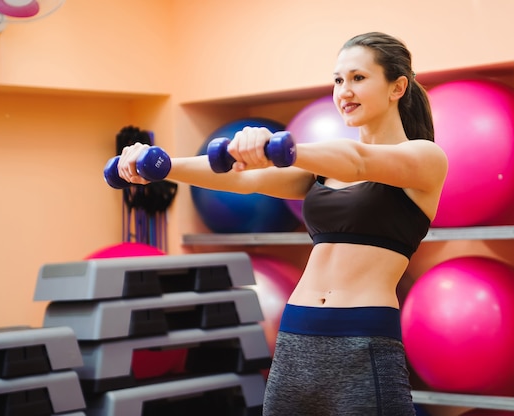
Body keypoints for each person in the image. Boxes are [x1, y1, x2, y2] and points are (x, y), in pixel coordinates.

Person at [117, 31, 448, 416]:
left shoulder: (424, 158)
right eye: (338, 80)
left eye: (358, 78)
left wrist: (281, 149)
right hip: (296, 337)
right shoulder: (320, 171)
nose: (344, 91)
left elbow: (360, 160)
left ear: (397, 87)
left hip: (363, 339)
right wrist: (160, 167)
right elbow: (244, 179)